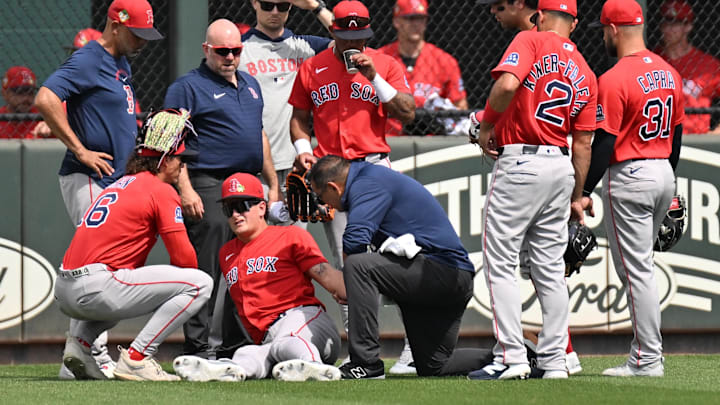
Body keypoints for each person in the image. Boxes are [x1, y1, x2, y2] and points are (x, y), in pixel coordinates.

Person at [466, 0, 596, 380]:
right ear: (573, 21)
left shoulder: (530, 39)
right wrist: (577, 193)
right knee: (550, 269)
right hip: (560, 164)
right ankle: (555, 361)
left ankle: (513, 358)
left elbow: (507, 83)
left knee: (501, 262)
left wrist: (488, 125)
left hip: (522, 160)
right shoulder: (586, 69)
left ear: (540, 15)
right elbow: (584, 144)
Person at [34, 0, 164, 380]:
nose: (142, 42)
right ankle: (92, 354)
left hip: (112, 179)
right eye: (137, 33)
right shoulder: (90, 59)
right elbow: (45, 98)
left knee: (109, 267)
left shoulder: (121, 61)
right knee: (101, 269)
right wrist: (80, 149)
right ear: (115, 25)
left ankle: (80, 354)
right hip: (89, 177)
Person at [54, 109, 213, 381]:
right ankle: (137, 358)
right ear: (164, 160)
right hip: (96, 287)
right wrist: (170, 291)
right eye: (180, 160)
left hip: (65, 289)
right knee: (200, 283)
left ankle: (79, 346)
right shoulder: (161, 190)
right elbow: (184, 259)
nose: (182, 167)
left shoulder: (122, 183)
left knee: (128, 287)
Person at [307, 155, 493, 379]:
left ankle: (366, 364)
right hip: (443, 278)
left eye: (321, 196)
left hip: (442, 272)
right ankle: (511, 357)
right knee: (434, 365)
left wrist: (347, 283)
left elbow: (355, 240)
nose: (324, 204)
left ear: (332, 187)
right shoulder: (368, 177)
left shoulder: (367, 182)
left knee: (358, 265)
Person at [164, 18, 280, 360]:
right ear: (206, 50)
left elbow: (259, 137)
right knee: (206, 269)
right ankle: (198, 348)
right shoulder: (187, 86)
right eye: (222, 51)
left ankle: (235, 344)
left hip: (247, 182)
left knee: (247, 264)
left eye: (235, 50)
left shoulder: (251, 85)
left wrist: (272, 183)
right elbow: (170, 141)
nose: (229, 56)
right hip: (208, 181)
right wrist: (186, 189)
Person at [582, 0, 684, 378]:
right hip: (662, 170)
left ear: (613, 29)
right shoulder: (670, 73)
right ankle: (649, 355)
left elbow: (605, 145)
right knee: (643, 267)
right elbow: (676, 137)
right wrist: (669, 184)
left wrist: (583, 190)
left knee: (636, 271)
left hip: (631, 174)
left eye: (604, 30)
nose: (604, 37)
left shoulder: (613, 77)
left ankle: (646, 359)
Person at [173, 172, 346, 382]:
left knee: (286, 342)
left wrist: (363, 284)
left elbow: (328, 277)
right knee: (245, 355)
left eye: (243, 205)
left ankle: (316, 368)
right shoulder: (227, 253)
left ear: (262, 208)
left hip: (305, 321)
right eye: (229, 209)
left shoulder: (290, 235)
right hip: (267, 339)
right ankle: (222, 371)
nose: (236, 214)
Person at [288, 0, 414, 272]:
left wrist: (375, 78)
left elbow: (407, 112)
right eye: (346, 38)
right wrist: (302, 149)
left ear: (368, 34)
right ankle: (355, 315)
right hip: (333, 170)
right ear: (333, 32)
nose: (352, 44)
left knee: (392, 252)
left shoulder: (385, 64)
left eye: (359, 37)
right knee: (348, 260)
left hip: (374, 165)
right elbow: (298, 119)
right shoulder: (312, 67)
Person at [239, 0, 333, 221]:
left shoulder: (304, 46)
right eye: (267, 5)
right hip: (255, 166)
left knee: (292, 247)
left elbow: (351, 43)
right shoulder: (239, 49)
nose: (274, 12)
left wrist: (315, 7)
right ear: (254, 3)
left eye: (282, 6)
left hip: (295, 167)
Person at [379, 0, 468, 137]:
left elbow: (461, 106)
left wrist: (438, 118)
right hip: (389, 138)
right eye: (410, 18)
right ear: (397, 21)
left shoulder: (444, 61)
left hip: (431, 140)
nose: (416, 24)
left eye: (420, 19)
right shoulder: (381, 58)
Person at [654, 0, 720, 135]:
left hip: (696, 136)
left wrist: (716, 132)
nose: (668, 28)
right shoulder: (652, 60)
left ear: (688, 26)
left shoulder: (708, 65)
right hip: (660, 138)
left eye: (675, 22)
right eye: (665, 21)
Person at [0, 66, 52, 139]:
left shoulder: (43, 117)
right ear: (5, 94)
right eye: (19, 92)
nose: (26, 98)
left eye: (30, 92)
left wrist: (52, 125)